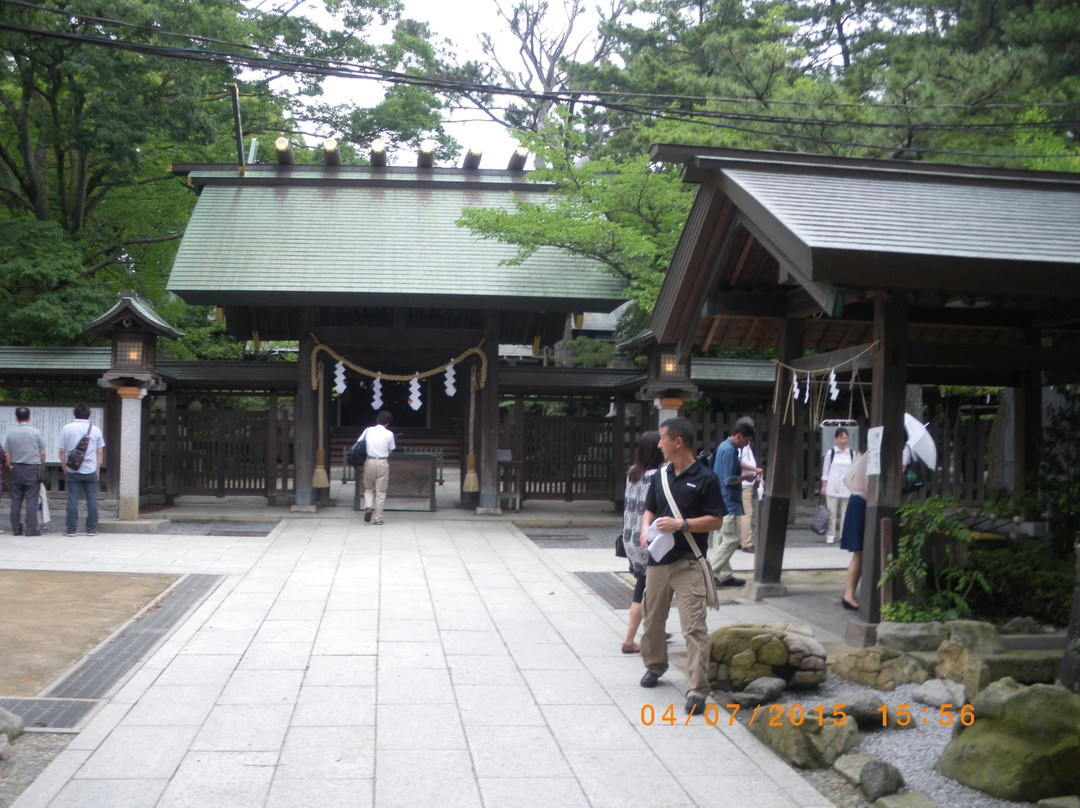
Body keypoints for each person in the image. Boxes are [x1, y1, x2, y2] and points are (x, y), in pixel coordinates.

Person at [638, 417, 725, 717]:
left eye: (663, 438)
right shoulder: (659, 476)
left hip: (689, 562)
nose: (659, 444)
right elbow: (649, 508)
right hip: (658, 561)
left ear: (678, 441)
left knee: (694, 627)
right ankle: (654, 665)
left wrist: (682, 524)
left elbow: (716, 520)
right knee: (652, 620)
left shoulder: (705, 478)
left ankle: (698, 688)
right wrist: (644, 528)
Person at [620, 430, 664, 654]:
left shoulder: (632, 473)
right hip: (649, 539)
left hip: (631, 538)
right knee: (643, 588)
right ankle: (629, 639)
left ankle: (657, 626)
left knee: (648, 584)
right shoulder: (659, 475)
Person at [709, 421, 757, 587]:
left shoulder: (722, 447)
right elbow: (729, 479)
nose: (746, 444)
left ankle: (724, 574)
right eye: (746, 440)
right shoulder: (730, 450)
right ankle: (710, 573)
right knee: (732, 539)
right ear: (739, 436)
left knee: (720, 539)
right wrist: (746, 477)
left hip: (719, 499)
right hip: (727, 501)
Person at [58, 403, 106, 537]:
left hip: (72, 469)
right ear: (88, 414)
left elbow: (62, 451)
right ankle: (91, 529)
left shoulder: (67, 429)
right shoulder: (95, 430)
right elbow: (100, 453)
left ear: (75, 414)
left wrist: (65, 468)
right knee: (92, 499)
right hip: (90, 469)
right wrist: (97, 470)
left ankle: (71, 530)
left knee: (72, 499)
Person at [5, 407, 46, 537]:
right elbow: (43, 452)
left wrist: (10, 465)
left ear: (17, 418)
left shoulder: (11, 434)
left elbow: (7, 454)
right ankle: (30, 529)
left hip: (16, 467)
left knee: (16, 499)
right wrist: (41, 463)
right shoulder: (36, 433)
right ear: (29, 417)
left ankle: (16, 528)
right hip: (32, 468)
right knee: (31, 499)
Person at [839, 450, 869, 610]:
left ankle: (849, 595)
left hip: (857, 501)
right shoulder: (878, 455)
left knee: (859, 554)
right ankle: (849, 595)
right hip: (861, 503)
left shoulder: (870, 453)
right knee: (860, 553)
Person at [358, 410, 395, 525]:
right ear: (388, 423)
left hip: (369, 461)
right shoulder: (389, 434)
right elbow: (391, 449)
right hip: (383, 462)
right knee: (381, 491)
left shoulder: (368, 430)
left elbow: (359, 443)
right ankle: (378, 518)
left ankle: (368, 506)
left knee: (369, 488)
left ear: (377, 419)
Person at [820, 427, 855, 545]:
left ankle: (843, 535)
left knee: (846, 513)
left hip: (847, 486)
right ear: (836, 439)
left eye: (845, 437)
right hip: (833, 485)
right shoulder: (831, 453)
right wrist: (824, 484)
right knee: (831, 512)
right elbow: (825, 470)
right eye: (841, 437)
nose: (843, 440)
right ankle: (830, 535)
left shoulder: (851, 453)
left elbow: (854, 470)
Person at [735, 416, 763, 553]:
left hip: (746, 480)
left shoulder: (745, 445)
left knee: (741, 513)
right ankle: (746, 542)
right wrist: (755, 470)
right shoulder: (741, 445)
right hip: (744, 482)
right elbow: (739, 462)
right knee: (746, 513)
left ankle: (741, 540)